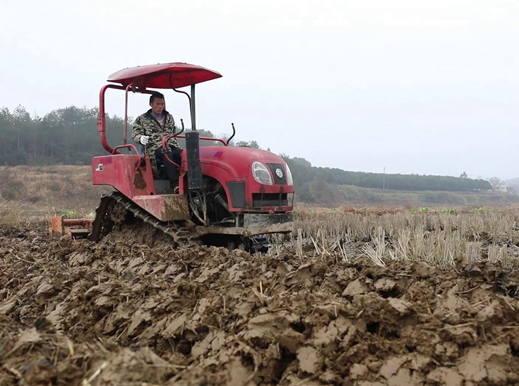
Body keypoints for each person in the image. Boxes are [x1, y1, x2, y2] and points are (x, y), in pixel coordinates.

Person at [132, 91, 182, 191]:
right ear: (151, 104)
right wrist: (140, 138)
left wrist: (174, 143)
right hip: (154, 148)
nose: (160, 107)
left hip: (170, 145)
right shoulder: (142, 119)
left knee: (184, 154)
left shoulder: (169, 117)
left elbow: (173, 133)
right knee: (166, 153)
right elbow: (135, 134)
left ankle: (191, 181)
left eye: (162, 104)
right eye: (157, 104)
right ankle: (175, 184)